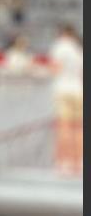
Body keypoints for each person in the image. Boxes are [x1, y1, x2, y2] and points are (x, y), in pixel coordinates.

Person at [47, 23, 82, 174]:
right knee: (78, 128)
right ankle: (79, 162)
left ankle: (64, 162)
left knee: (64, 127)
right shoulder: (78, 49)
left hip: (63, 90)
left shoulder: (60, 47)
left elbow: (56, 69)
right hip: (78, 90)